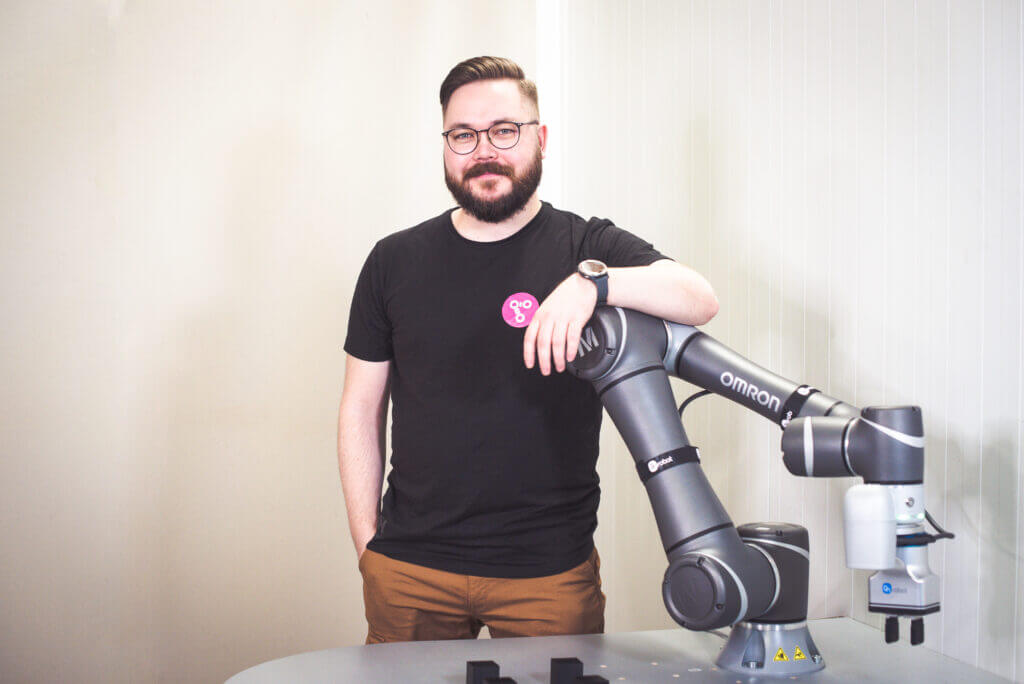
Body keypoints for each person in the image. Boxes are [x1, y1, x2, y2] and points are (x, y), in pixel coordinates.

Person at [338, 56, 719, 644]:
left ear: (539, 139)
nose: (484, 149)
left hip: (547, 572)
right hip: (410, 569)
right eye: (464, 135)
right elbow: (360, 410)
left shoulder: (585, 244)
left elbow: (698, 298)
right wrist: (370, 550)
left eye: (504, 130)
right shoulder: (392, 260)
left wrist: (593, 282)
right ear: (445, 145)